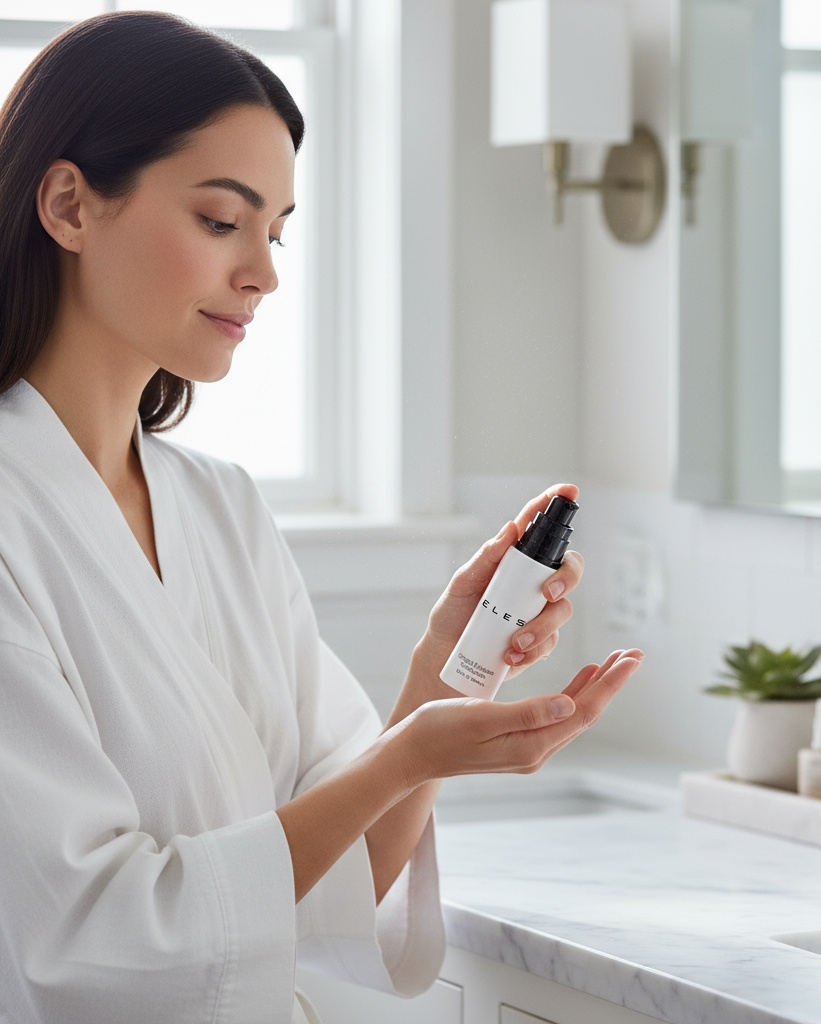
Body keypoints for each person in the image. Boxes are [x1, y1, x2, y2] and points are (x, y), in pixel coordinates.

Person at [0, 10, 643, 1024]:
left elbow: (338, 889)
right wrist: (409, 753)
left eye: (277, 231)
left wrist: (447, 670)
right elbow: (87, 939)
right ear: (71, 204)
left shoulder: (220, 507)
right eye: (222, 221)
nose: (263, 272)